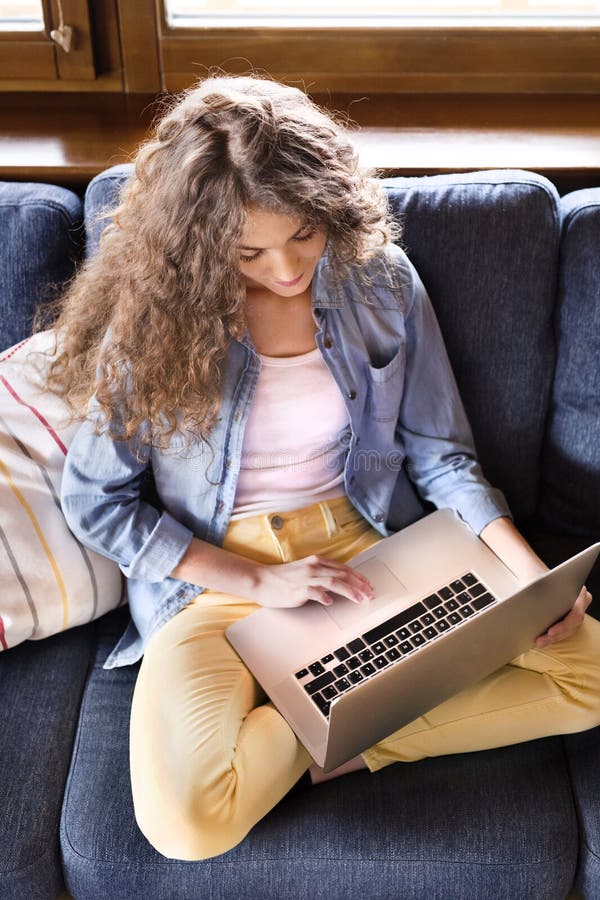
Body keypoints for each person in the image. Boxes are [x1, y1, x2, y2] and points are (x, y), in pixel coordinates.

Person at [41, 73, 600, 862]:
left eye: (303, 234)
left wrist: (531, 580)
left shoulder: (382, 280)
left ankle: (328, 732)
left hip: (371, 551)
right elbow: (98, 503)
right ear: (196, 242)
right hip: (218, 578)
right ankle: (346, 706)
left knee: (592, 675)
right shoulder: (151, 323)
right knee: (187, 824)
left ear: (328, 203)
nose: (285, 269)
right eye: (249, 252)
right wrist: (260, 582)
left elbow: (443, 458)